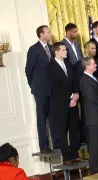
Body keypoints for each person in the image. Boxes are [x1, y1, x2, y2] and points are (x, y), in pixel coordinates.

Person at [46, 42, 80, 166]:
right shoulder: (51, 67)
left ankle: (75, 155)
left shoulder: (69, 64)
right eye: (64, 50)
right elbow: (55, 86)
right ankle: (66, 157)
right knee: (62, 131)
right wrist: (70, 96)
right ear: (56, 52)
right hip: (60, 103)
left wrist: (75, 95)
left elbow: (75, 81)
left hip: (73, 102)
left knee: (74, 128)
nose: (66, 52)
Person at [25, 25, 53, 154]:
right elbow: (28, 70)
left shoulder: (52, 49)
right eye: (48, 32)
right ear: (41, 34)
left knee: (53, 117)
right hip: (40, 89)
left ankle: (55, 144)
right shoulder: (33, 49)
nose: (50, 33)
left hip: (52, 88)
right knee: (41, 117)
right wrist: (34, 86)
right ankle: (44, 146)